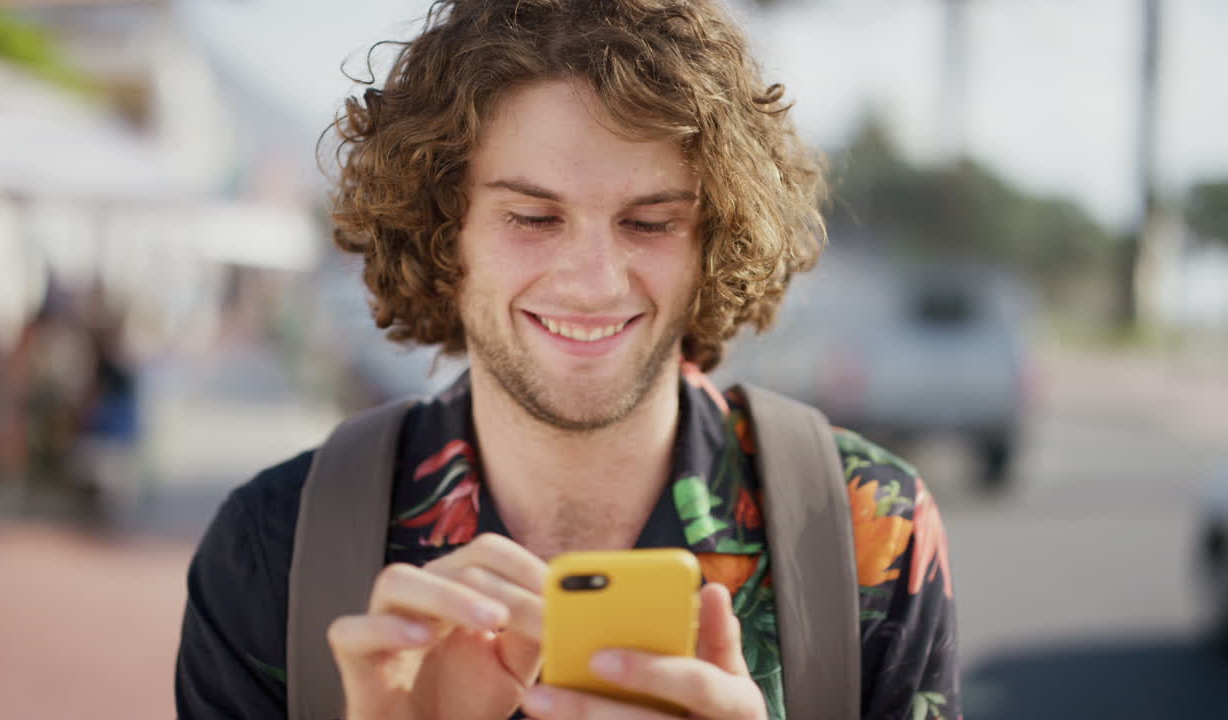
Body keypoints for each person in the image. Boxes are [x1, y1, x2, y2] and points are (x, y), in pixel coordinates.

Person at [175, 1, 961, 718]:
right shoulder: (270, 553)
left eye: (649, 223)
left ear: (712, 242)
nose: (593, 282)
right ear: (446, 231)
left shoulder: (868, 531)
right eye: (533, 217)